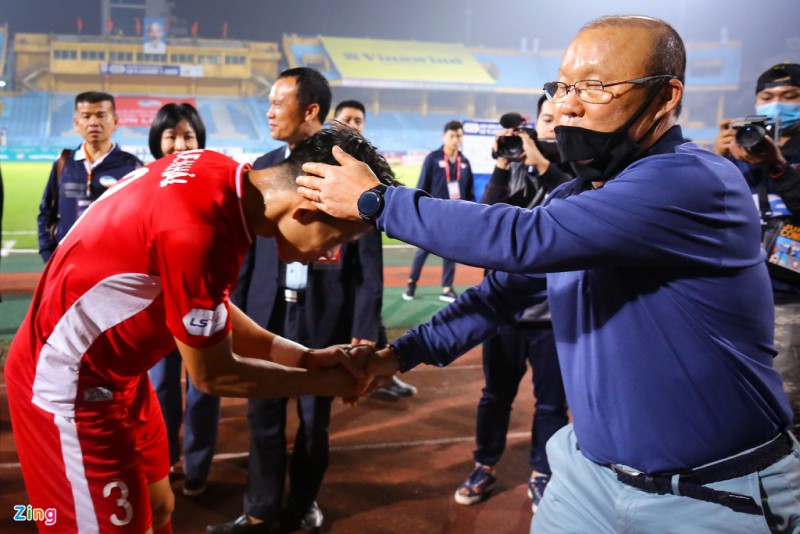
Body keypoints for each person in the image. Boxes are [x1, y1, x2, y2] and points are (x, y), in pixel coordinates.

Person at [297, 15, 800, 532]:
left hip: (712, 491)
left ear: (666, 96)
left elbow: (526, 240)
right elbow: (501, 297)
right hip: (590, 478)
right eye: (562, 86)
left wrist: (377, 202)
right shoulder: (579, 195)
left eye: (595, 86)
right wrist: (397, 355)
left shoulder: (693, 181)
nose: (566, 104)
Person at [6, 125, 398, 534]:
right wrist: (330, 384)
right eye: (337, 239)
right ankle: (41, 513)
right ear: (303, 212)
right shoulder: (199, 231)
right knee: (94, 523)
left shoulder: (218, 175)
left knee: (158, 509)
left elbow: (211, 303)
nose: (330, 253)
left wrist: (306, 357)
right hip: (68, 387)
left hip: (116, 375)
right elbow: (212, 374)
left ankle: (52, 510)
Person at [208, 70, 382, 534]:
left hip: (324, 315)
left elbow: (367, 260)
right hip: (267, 309)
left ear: (310, 111)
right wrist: (235, 310)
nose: (268, 112)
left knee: (314, 421)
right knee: (261, 416)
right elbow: (245, 254)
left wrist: (363, 328)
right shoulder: (261, 170)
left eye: (277, 103)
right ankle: (260, 507)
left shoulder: (349, 173)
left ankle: (303, 502)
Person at [455, 96, 571, 511]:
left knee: (553, 404)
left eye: (561, 117)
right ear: (533, 123)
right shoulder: (515, 165)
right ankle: (485, 464)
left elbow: (573, 205)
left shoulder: (580, 168)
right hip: (505, 310)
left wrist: (541, 162)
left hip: (556, 315)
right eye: (546, 118)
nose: (554, 124)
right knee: (494, 397)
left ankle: (543, 471)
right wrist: (505, 166)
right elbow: (486, 218)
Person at [715, 63, 800, 433]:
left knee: (787, 400)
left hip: (790, 296)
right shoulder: (741, 148)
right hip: (737, 291)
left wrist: (779, 167)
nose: (776, 105)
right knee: (732, 395)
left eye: (789, 97)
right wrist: (717, 161)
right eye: (767, 98)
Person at [145, 102, 218, 497]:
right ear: (157, 140)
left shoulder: (215, 183)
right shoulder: (142, 183)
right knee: (161, 389)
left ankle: (197, 465)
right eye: (171, 135)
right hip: (157, 310)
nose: (180, 143)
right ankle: (165, 457)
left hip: (205, 307)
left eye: (188, 136)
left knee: (205, 387)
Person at [334, 99, 417, 400]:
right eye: (347, 119)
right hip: (327, 262)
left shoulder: (371, 168)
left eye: (358, 120)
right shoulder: (318, 160)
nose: (353, 125)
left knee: (368, 292)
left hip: (359, 245)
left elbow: (371, 264)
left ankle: (377, 374)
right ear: (334, 122)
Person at [37, 91, 142, 263]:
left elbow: (141, 219)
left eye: (101, 115)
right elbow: (46, 213)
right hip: (67, 262)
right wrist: (48, 255)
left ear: (115, 122)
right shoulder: (63, 163)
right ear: (76, 123)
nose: (93, 122)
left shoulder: (131, 166)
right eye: (86, 116)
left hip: (113, 263)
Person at [402, 120, 474, 303]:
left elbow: (470, 191)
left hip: (456, 214)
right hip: (433, 214)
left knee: (451, 251)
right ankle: (411, 284)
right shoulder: (433, 158)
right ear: (444, 137)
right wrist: (419, 210)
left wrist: (471, 213)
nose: (456, 139)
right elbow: (421, 186)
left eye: (459, 136)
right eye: (452, 136)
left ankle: (447, 288)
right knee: (423, 250)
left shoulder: (464, 162)